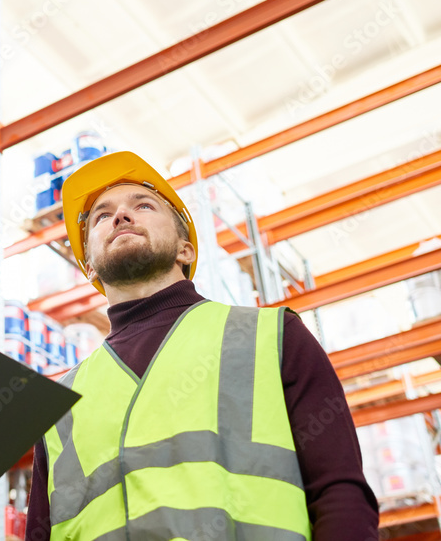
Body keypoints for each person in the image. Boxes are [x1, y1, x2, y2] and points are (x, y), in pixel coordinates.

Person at [24, 151, 378, 540]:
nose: (121, 216)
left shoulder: (272, 336)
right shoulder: (61, 407)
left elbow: (340, 494)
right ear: (88, 265)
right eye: (102, 216)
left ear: (185, 249)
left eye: (142, 205)